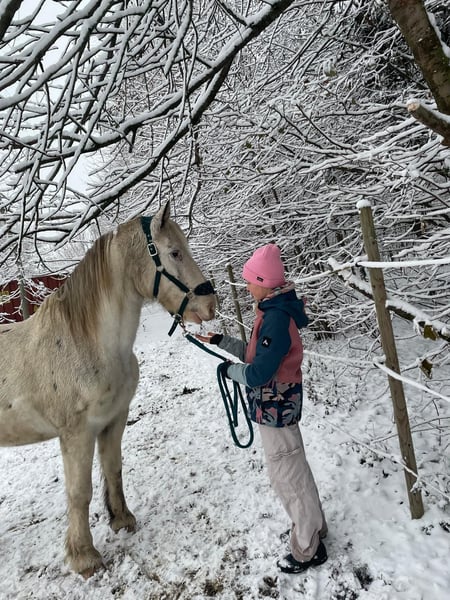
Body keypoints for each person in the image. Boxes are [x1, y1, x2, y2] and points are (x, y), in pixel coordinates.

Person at [196, 243, 328, 574]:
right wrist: (221, 341)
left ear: (263, 282)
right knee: (294, 470)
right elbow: (256, 356)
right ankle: (313, 529)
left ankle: (307, 548)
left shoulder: (276, 320)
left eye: (249, 281)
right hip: (276, 408)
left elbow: (257, 374)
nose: (246, 287)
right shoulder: (271, 313)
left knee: (288, 477)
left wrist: (230, 371)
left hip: (276, 410)